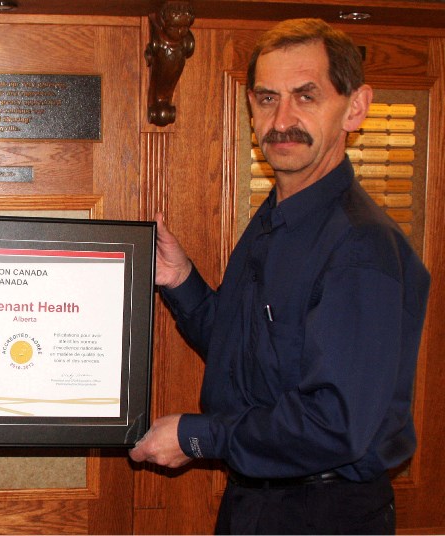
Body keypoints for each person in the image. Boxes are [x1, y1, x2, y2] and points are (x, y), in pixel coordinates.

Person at [129, 18, 430, 534]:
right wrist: (181, 281)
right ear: (250, 108)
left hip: (322, 514)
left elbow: (334, 425)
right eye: (267, 99)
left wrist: (197, 435)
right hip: (258, 505)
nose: (282, 119)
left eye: (306, 96)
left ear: (354, 107)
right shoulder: (275, 220)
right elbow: (250, 358)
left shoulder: (358, 245)